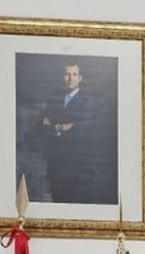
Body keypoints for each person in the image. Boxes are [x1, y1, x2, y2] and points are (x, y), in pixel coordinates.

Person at [36, 62, 105, 204]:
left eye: (74, 75)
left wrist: (55, 126)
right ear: (62, 77)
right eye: (67, 74)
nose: (70, 78)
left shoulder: (88, 102)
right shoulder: (53, 101)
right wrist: (63, 127)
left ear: (80, 78)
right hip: (56, 165)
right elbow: (41, 127)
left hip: (77, 167)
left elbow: (82, 131)